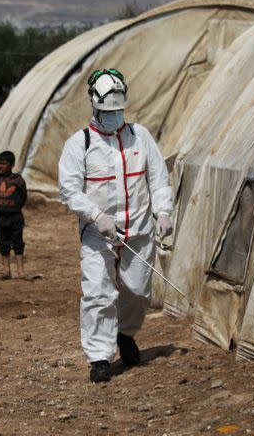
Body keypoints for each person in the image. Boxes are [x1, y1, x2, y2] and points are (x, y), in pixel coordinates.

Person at [58, 68, 174, 383]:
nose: (113, 117)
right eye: (107, 112)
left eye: (118, 111)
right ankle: (99, 357)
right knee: (98, 292)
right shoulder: (79, 144)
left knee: (137, 291)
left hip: (138, 230)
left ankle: (125, 333)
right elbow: (69, 190)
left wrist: (163, 212)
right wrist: (96, 216)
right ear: (94, 107)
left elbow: (158, 178)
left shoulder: (141, 136)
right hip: (99, 235)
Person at [0, 150, 27, 279]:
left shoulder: (18, 180)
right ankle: (6, 271)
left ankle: (20, 271)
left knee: (17, 242)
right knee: (2, 242)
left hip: (15, 216)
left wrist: (15, 207)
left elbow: (23, 196)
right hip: (0, 216)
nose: (1, 166)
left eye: (4, 163)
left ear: (11, 165)